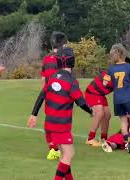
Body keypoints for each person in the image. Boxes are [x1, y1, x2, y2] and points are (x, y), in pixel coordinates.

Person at [27, 47, 93, 180]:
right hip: (61, 125)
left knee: (64, 156)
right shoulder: (71, 81)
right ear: (72, 62)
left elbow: (41, 96)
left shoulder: (52, 77)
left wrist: (33, 115)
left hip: (50, 124)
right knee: (69, 154)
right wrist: (91, 111)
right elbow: (81, 102)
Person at [27, 31, 67, 160]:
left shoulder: (46, 58)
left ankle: (53, 147)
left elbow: (43, 80)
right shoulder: (64, 58)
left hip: (49, 94)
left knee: (50, 120)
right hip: (61, 95)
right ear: (64, 44)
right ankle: (56, 148)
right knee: (60, 123)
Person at [103, 44, 130, 154]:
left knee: (123, 121)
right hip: (128, 97)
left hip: (117, 99)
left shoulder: (111, 69)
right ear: (123, 54)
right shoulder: (129, 67)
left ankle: (126, 143)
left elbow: (104, 83)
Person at [85, 68, 113, 147]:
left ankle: (103, 139)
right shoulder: (111, 72)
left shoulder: (123, 77)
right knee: (100, 113)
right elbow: (104, 78)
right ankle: (90, 138)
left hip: (100, 95)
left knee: (107, 115)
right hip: (92, 92)